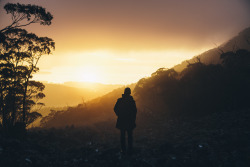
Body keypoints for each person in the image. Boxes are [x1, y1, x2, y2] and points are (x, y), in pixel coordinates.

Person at [114, 87, 137, 155]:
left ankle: (123, 150)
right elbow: (135, 111)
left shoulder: (120, 100)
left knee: (122, 136)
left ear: (124, 92)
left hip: (122, 121)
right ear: (129, 93)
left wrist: (119, 115)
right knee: (130, 136)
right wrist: (133, 119)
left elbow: (115, 109)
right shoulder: (131, 101)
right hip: (130, 121)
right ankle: (130, 150)